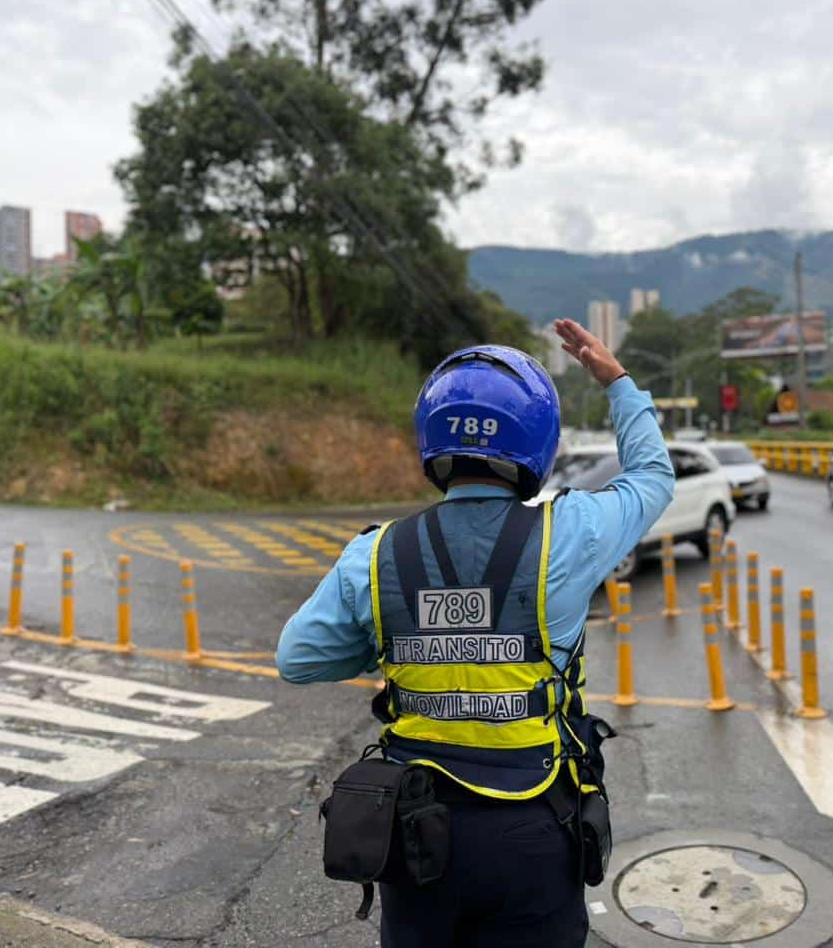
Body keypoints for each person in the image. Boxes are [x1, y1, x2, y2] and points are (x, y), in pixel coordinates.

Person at [275, 319, 674, 947]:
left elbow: (297, 659)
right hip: (534, 829)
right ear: (537, 442)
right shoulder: (567, 535)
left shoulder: (375, 555)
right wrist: (618, 382)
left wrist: (393, 630)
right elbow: (652, 478)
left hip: (414, 831)